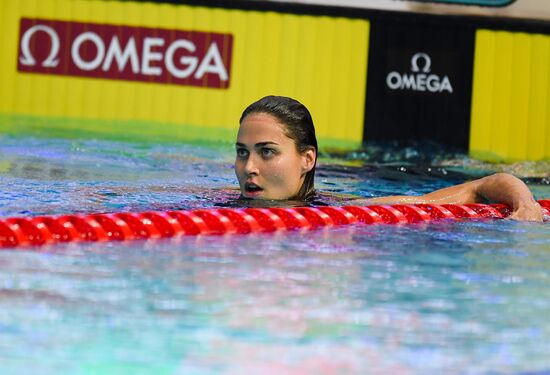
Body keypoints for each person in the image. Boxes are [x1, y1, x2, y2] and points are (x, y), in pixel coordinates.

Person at [234, 95, 544, 222]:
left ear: (308, 159)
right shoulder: (213, 202)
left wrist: (527, 205)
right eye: (242, 153)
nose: (249, 167)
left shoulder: (352, 209)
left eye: (267, 152)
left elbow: (486, 184)